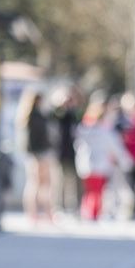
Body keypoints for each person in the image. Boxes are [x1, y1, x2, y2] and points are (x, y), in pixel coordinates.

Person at [75, 93, 129, 221]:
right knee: (97, 192)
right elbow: (115, 148)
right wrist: (126, 162)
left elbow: (77, 145)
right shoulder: (105, 131)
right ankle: (93, 214)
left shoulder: (83, 129)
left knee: (89, 191)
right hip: (100, 166)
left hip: (86, 165)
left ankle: (86, 212)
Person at [17, 87, 57, 224]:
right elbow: (31, 139)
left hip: (41, 152)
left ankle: (46, 213)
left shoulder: (39, 115)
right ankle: (34, 214)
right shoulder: (32, 117)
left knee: (44, 184)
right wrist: (36, 155)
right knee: (36, 183)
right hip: (37, 154)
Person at [53, 86, 83, 214]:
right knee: (61, 180)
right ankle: (60, 206)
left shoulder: (76, 114)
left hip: (76, 152)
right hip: (61, 151)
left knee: (76, 180)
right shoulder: (58, 114)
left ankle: (76, 206)